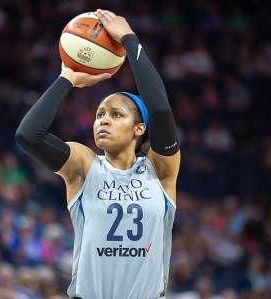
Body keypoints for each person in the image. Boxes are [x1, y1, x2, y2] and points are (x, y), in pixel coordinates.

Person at [16, 9, 181, 299]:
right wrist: (67, 77)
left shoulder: (161, 170)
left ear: (139, 128)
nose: (103, 120)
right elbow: (28, 136)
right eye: (99, 114)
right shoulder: (84, 165)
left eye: (116, 115)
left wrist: (129, 39)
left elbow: (161, 110)